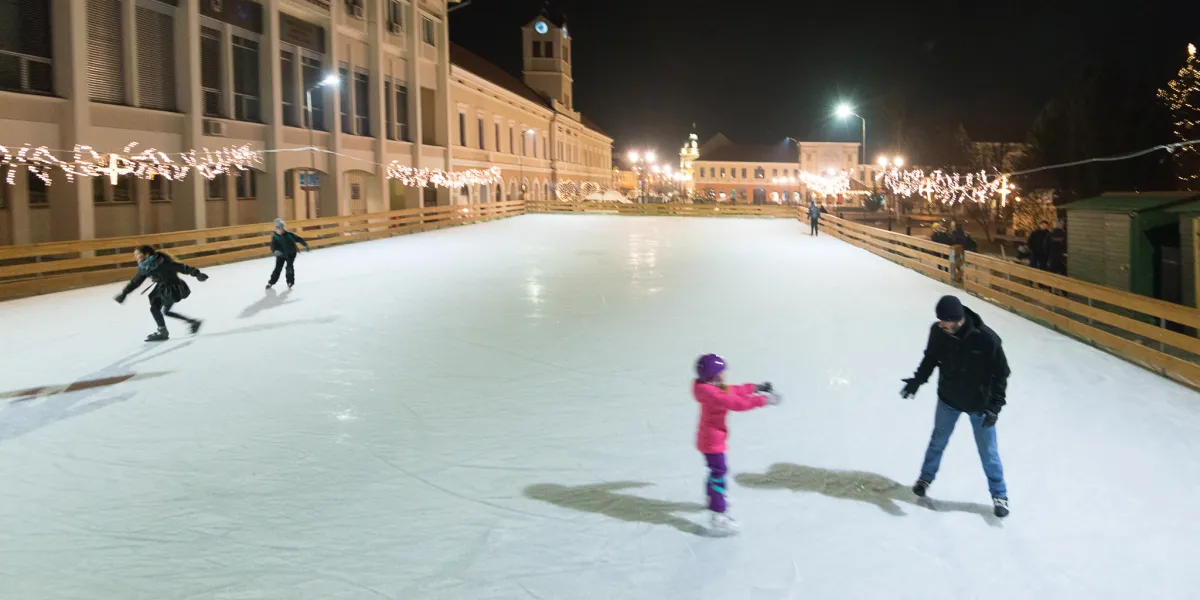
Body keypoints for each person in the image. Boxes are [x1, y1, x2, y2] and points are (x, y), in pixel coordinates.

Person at [900, 295, 1011, 518]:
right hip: (948, 399)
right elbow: (930, 359)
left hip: (979, 405)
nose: (940, 325)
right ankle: (925, 479)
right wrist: (916, 381)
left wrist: (994, 407)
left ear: (958, 320)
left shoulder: (987, 339)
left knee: (988, 452)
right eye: (939, 321)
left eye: (945, 322)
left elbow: (1001, 374)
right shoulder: (938, 332)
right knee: (937, 441)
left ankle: (999, 495)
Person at [693, 354, 780, 536]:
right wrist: (764, 400)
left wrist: (755, 388)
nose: (725, 375)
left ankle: (712, 499)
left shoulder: (711, 387)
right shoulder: (714, 394)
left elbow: (735, 390)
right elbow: (736, 403)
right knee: (719, 473)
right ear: (714, 376)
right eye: (722, 372)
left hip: (710, 438)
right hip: (712, 441)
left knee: (715, 471)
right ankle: (718, 516)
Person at [114, 245, 208, 342]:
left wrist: (197, 274)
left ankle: (163, 331)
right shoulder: (145, 266)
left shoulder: (162, 262)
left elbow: (181, 267)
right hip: (163, 288)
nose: (135, 257)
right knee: (164, 311)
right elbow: (136, 281)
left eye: (138, 254)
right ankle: (192, 323)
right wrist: (124, 293)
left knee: (156, 308)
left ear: (146, 255)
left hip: (172, 288)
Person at [267, 218, 309, 290]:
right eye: (278, 229)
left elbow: (298, 238)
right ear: (275, 230)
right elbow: (273, 246)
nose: (280, 231)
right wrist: (275, 251)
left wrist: (304, 243)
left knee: (289, 267)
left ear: (283, 229)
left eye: (281, 229)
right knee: (278, 268)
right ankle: (271, 282)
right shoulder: (275, 237)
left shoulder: (289, 235)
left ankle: (290, 282)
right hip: (281, 255)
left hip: (291, 254)